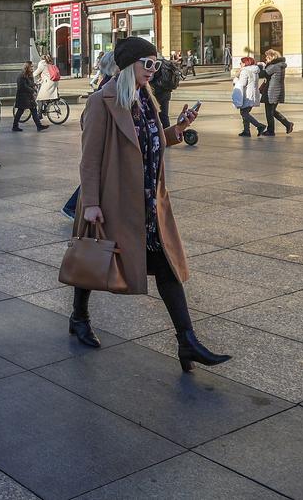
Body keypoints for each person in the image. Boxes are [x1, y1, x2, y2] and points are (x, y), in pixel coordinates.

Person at [68, 37, 227, 373]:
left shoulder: (146, 99)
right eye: (148, 64)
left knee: (167, 269)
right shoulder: (102, 102)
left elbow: (150, 142)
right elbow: (89, 159)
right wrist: (92, 204)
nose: (153, 71)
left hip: (149, 202)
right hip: (114, 200)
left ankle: (187, 341)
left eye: (156, 64)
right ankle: (79, 316)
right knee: (94, 254)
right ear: (129, 66)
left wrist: (179, 128)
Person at [258, 50, 294, 135]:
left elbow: (262, 74)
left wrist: (260, 66)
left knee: (269, 112)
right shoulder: (278, 65)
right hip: (275, 91)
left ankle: (271, 130)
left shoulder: (274, 66)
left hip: (272, 92)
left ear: (272, 57)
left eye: (267, 57)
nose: (266, 59)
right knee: (272, 111)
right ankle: (288, 124)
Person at [232, 56, 266, 137]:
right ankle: (246, 131)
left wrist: (236, 79)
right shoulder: (254, 70)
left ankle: (259, 126)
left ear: (245, 63)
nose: (240, 64)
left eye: (241, 63)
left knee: (244, 113)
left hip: (247, 95)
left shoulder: (245, 71)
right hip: (253, 94)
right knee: (244, 112)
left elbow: (242, 83)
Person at [12, 62, 44, 132]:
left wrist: (35, 84)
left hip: (28, 96)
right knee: (20, 111)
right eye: (31, 67)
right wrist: (32, 90)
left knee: (34, 110)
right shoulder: (22, 75)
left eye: (32, 67)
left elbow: (29, 83)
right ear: (27, 67)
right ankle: (15, 126)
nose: (32, 68)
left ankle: (39, 126)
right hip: (23, 96)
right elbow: (23, 86)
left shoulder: (29, 75)